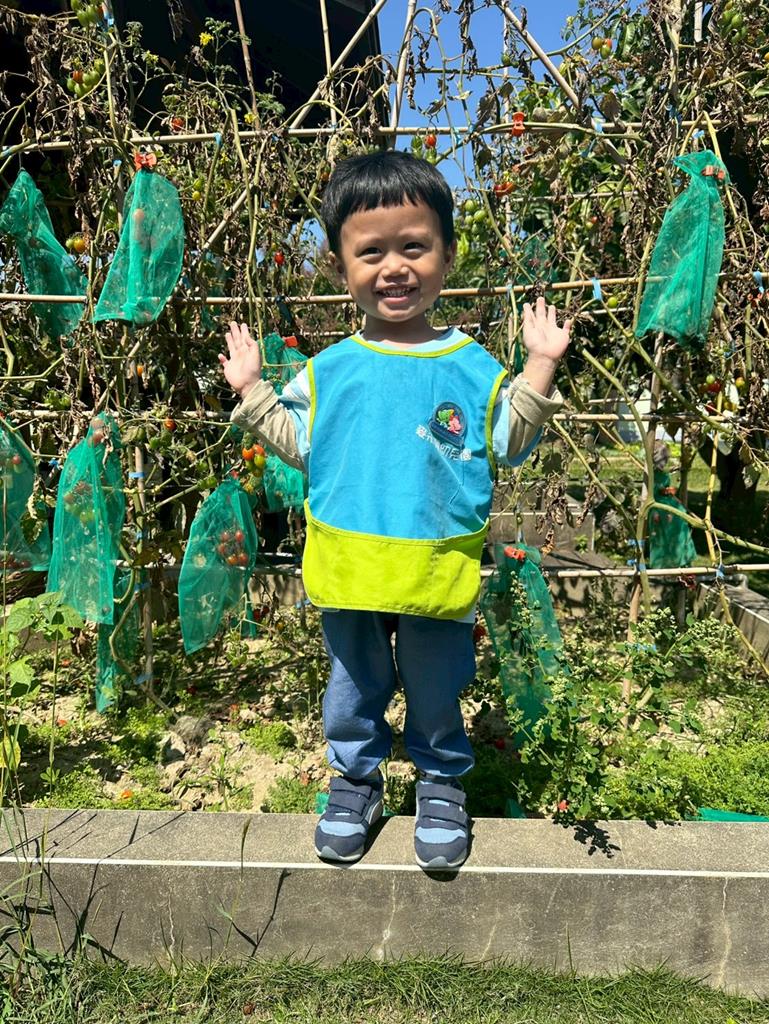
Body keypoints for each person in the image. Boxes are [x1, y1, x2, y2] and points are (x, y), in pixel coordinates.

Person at [218, 150, 570, 869]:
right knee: (353, 688)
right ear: (340, 266)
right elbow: (298, 445)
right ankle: (355, 782)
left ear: (447, 254)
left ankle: (440, 783)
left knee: (437, 687)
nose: (394, 268)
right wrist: (253, 390)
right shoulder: (328, 371)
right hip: (350, 566)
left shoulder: (472, 367)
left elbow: (509, 441)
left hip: (436, 567)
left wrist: (540, 365)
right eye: (371, 252)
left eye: (414, 246)